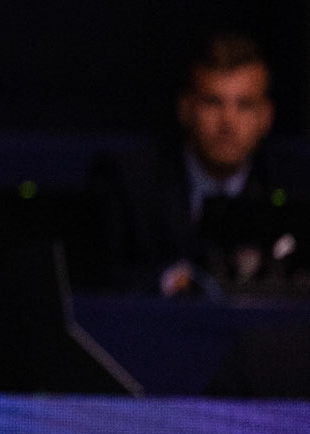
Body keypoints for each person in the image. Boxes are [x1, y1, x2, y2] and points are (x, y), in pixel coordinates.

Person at [94, 32, 310, 295]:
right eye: (212, 102)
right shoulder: (131, 181)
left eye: (244, 105)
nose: (228, 122)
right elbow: (101, 282)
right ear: (185, 108)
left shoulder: (296, 185)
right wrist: (174, 282)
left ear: (266, 116)